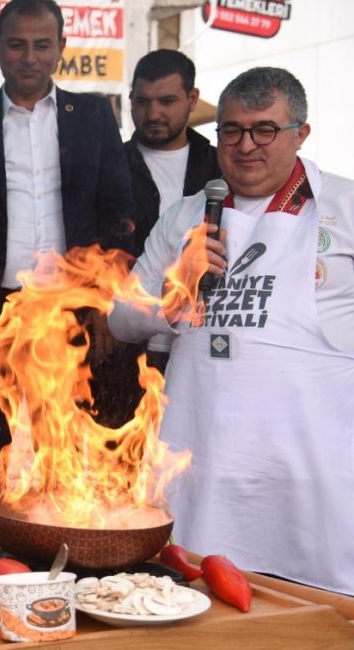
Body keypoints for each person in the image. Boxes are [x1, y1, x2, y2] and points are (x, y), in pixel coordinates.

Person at [108, 67, 354, 596]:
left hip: (312, 476)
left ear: (301, 134)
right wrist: (178, 289)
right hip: (203, 469)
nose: (245, 146)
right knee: (194, 607)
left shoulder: (344, 207)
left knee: (315, 618)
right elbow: (121, 319)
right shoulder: (186, 215)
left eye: (264, 130)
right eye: (231, 131)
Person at [0, 0, 133, 514]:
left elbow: (118, 211)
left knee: (66, 444)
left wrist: (107, 300)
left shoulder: (91, 116)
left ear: (61, 48)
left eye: (42, 44)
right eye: (17, 45)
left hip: (71, 308)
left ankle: (61, 555)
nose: (29, 57)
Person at [125, 49, 222, 373]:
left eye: (166, 101)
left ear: (192, 98)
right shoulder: (110, 166)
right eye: (142, 102)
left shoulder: (221, 167)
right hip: (126, 345)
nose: (153, 113)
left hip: (199, 338)